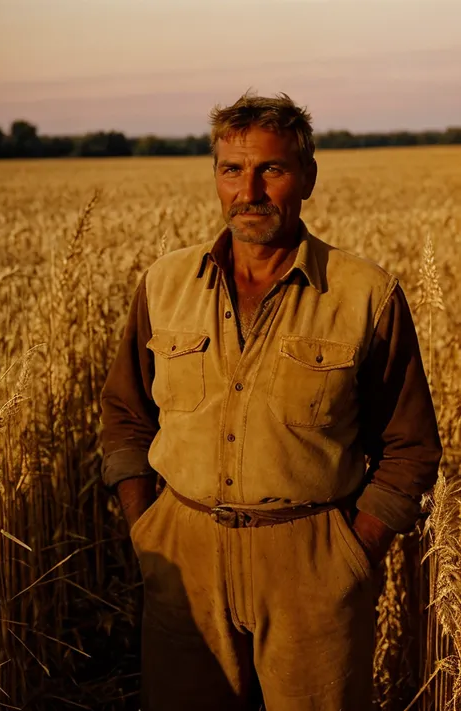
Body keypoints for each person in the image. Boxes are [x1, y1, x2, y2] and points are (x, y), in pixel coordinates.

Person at [100, 91, 442, 711]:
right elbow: (125, 417)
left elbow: (410, 447)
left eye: (271, 169)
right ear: (216, 177)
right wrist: (147, 526)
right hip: (183, 553)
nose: (248, 189)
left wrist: (350, 557)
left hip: (311, 564)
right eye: (231, 169)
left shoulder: (366, 295)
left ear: (307, 177)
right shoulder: (165, 283)